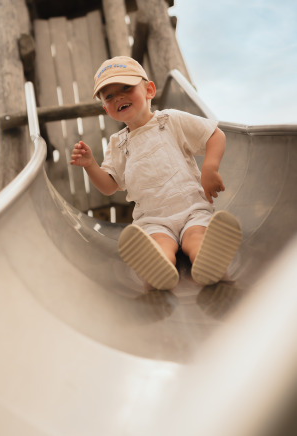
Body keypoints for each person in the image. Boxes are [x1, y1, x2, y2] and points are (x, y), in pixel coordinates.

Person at [70, 56, 242, 290]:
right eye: (109, 96)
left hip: (192, 207)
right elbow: (110, 185)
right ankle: (160, 268)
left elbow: (214, 135)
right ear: (105, 108)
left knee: (197, 237)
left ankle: (209, 261)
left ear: (149, 90)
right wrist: (91, 164)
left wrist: (209, 168)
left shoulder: (170, 120)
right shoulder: (117, 142)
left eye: (126, 88)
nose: (119, 97)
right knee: (159, 244)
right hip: (153, 219)